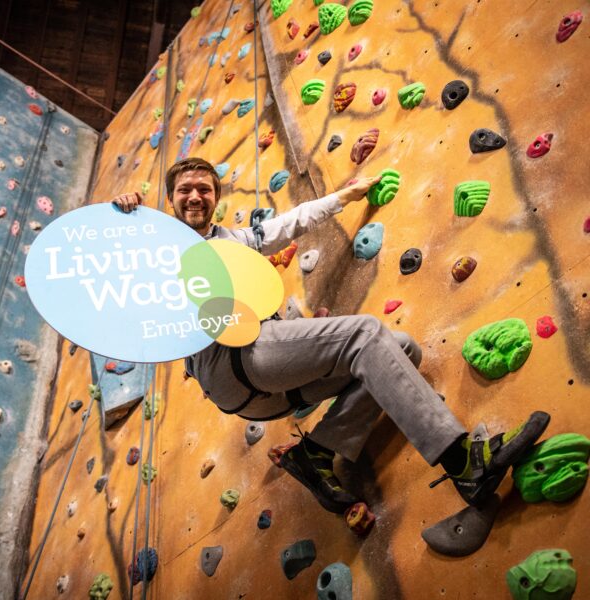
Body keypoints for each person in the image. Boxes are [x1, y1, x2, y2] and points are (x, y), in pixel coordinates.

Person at [112, 157, 550, 515]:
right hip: (230, 362)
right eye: (185, 189)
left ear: (215, 198)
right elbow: (119, 281)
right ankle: (463, 462)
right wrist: (124, 221)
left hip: (268, 381)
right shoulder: (156, 248)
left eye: (204, 188)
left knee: (400, 350)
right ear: (170, 199)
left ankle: (316, 452)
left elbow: (290, 223)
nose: (194, 196)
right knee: (364, 332)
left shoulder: (236, 240)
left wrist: (344, 196)